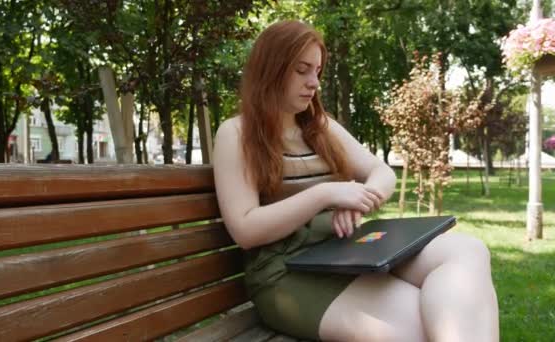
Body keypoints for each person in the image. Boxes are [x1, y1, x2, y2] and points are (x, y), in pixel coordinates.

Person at [213, 20, 499, 342]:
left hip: (345, 251)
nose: (313, 83)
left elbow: (383, 172)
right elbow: (245, 229)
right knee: (423, 327)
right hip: (286, 274)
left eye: (317, 71)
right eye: (301, 70)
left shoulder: (320, 127)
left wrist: (361, 196)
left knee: (467, 251)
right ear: (271, 68)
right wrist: (326, 195)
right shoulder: (235, 134)